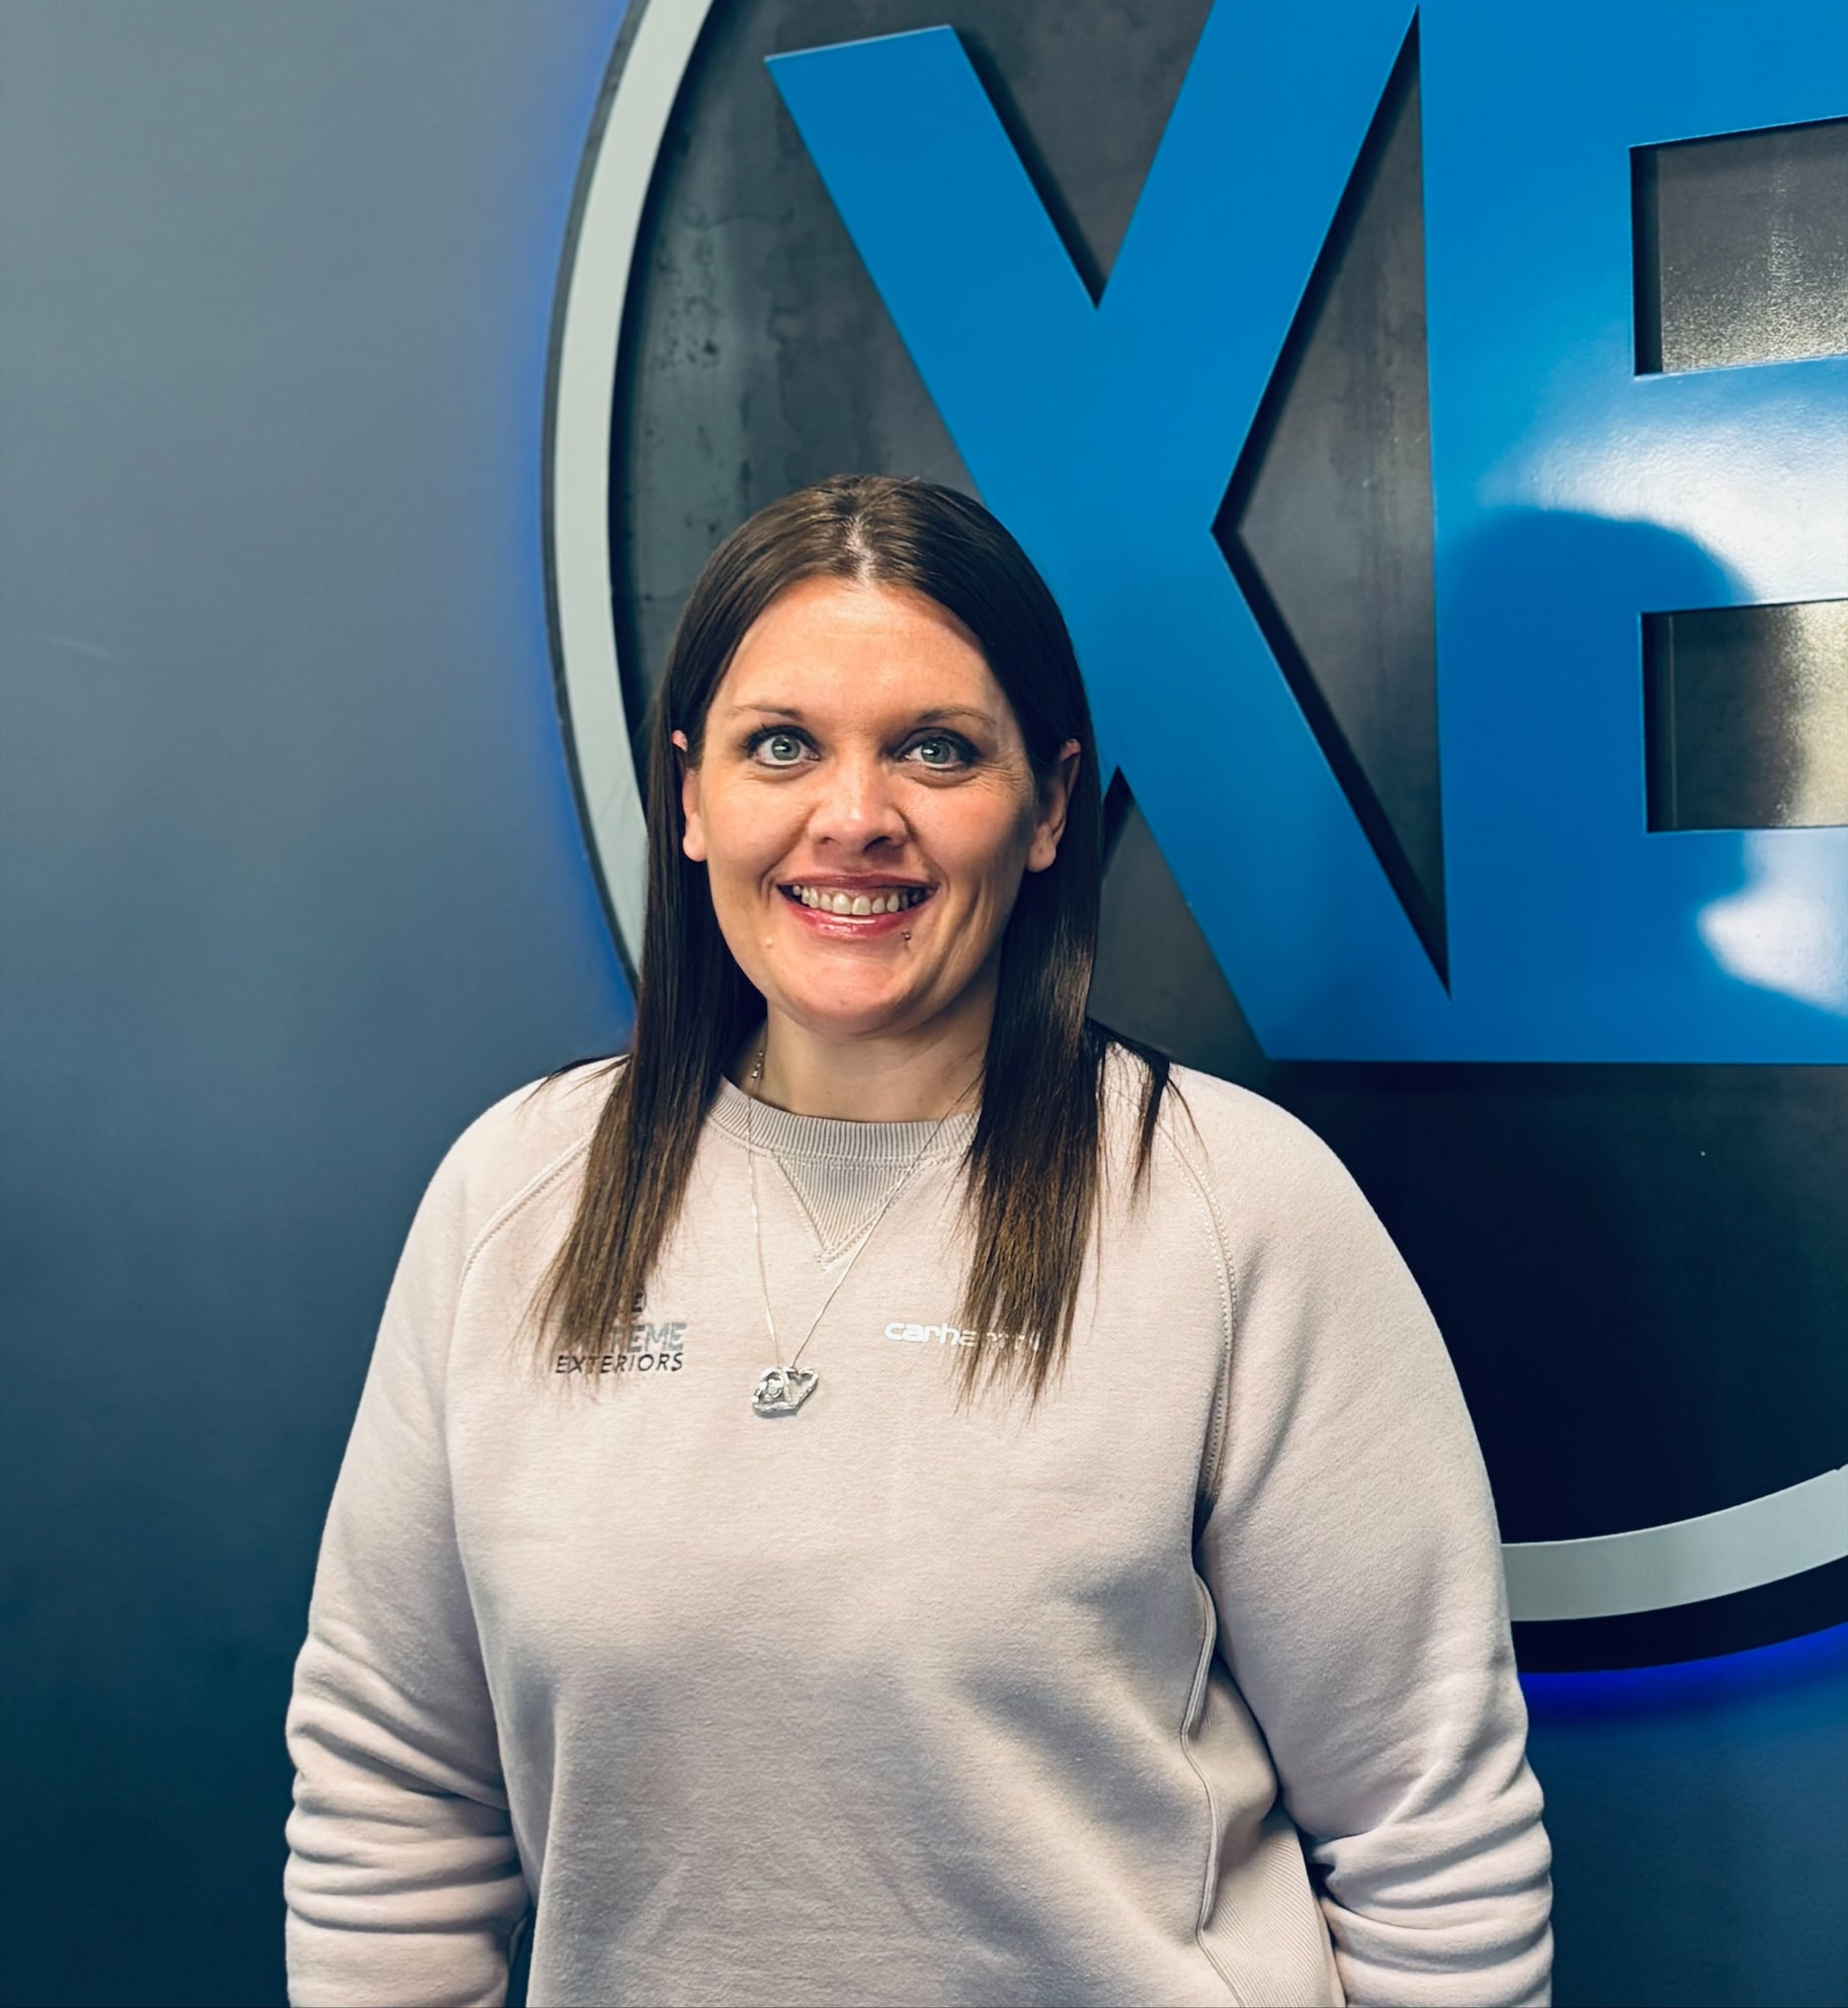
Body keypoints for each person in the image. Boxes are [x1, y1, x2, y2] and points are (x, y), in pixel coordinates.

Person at [284, 475, 1553, 2007]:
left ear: (1047, 808)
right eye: (781, 745)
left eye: (935, 750)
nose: (854, 817)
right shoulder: (517, 1193)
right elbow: (392, 1795)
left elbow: (1432, 1830)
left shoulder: (1234, 1206)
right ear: (688, 797)